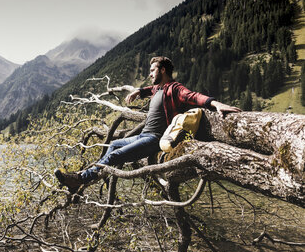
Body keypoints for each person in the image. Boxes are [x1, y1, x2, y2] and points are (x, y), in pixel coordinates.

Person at [54, 56, 241, 192]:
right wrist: (138, 91)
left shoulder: (174, 89)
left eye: (152, 70)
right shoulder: (158, 88)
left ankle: (80, 179)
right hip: (143, 135)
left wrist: (216, 104)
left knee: (115, 156)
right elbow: (150, 89)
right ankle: (82, 179)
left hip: (154, 140)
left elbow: (193, 97)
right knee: (113, 144)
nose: (150, 74)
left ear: (163, 70)